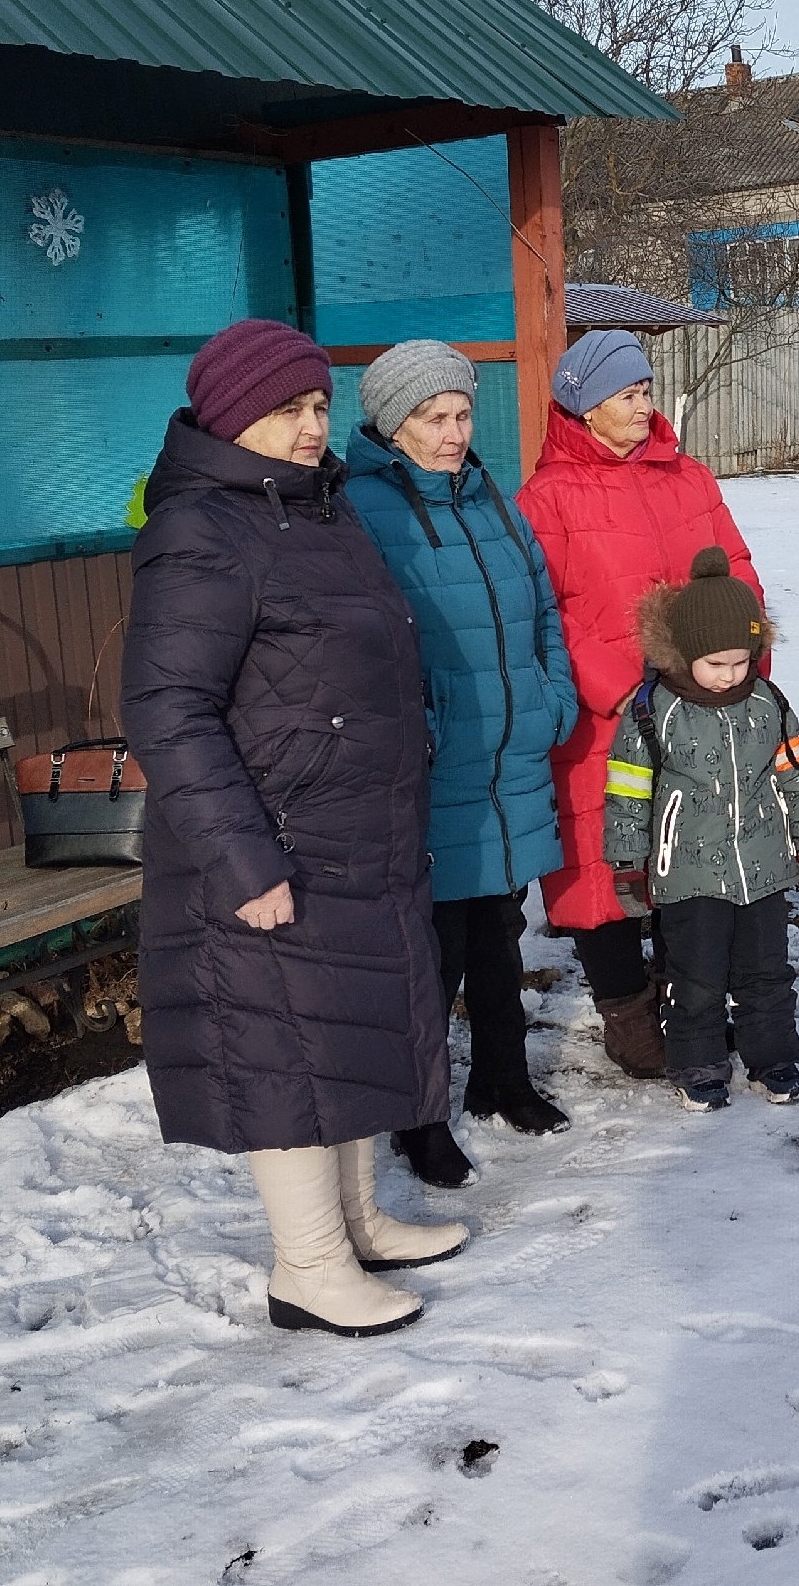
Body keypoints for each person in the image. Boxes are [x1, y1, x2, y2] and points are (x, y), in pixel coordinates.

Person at [123, 318, 467, 1340]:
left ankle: (357, 1219)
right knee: (284, 1050)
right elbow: (166, 708)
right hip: (270, 839)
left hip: (353, 826)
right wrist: (241, 857)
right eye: (290, 409)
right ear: (235, 417)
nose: (315, 425)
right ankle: (309, 1266)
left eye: (320, 405)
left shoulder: (307, 510)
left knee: (347, 1026)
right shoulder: (200, 530)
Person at [342, 340, 579, 1192]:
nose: (452, 432)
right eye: (432, 418)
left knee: (499, 937)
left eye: (461, 414)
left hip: (509, 752)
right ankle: (418, 1118)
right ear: (391, 423)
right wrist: (424, 725)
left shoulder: (493, 500)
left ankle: (504, 1079)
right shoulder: (363, 511)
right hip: (437, 765)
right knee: (432, 955)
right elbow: (365, 641)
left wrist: (554, 697)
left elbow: (542, 606)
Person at [516, 329, 765, 1080]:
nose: (643, 403)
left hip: (701, 704)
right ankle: (627, 1015)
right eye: (627, 393)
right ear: (585, 407)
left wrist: (742, 657)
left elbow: (736, 573)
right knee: (607, 868)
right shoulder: (548, 497)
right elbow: (544, 612)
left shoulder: (687, 478)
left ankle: (692, 1001)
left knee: (691, 858)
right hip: (607, 717)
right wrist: (618, 686)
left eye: (646, 389)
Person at [604, 548, 799, 1111]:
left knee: (766, 972)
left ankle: (773, 1059)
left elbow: (795, 774)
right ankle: (698, 1064)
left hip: (763, 867)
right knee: (694, 976)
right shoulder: (655, 712)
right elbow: (628, 791)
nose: (729, 676)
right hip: (688, 872)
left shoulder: (767, 704)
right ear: (683, 654)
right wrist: (628, 864)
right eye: (715, 664)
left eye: (740, 661)